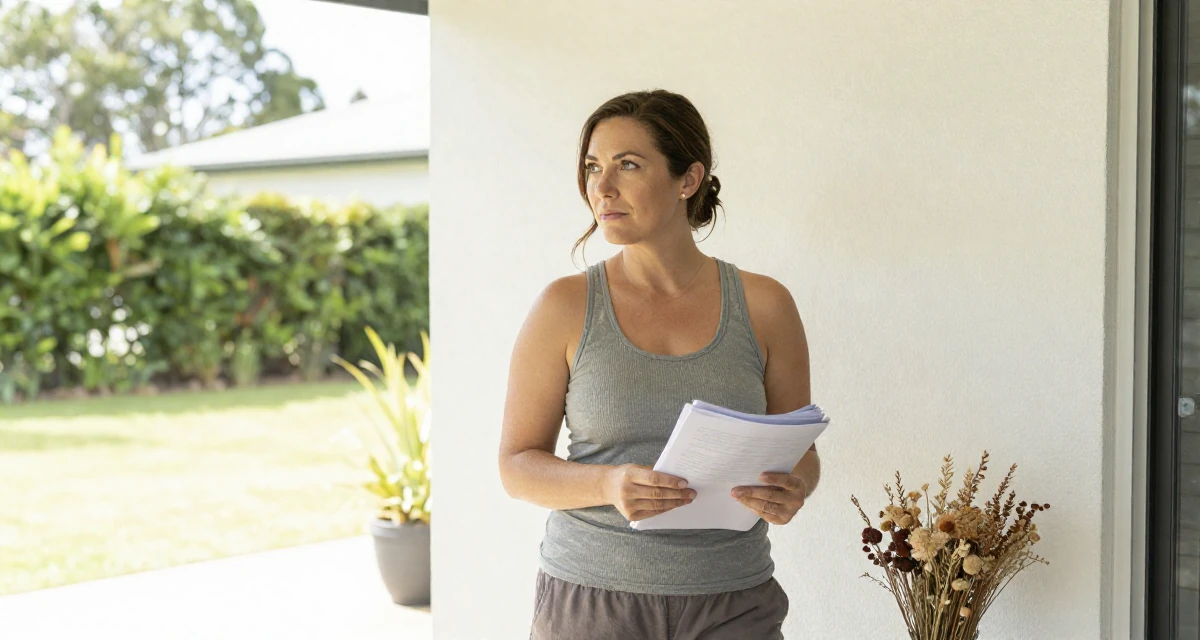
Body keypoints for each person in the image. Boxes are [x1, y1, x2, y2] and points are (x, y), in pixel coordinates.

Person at [498, 89, 820, 640]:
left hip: (734, 601)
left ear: (687, 180)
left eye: (628, 164)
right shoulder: (564, 307)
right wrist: (610, 483)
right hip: (592, 602)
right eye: (593, 167)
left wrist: (793, 488)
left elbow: (802, 453)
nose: (602, 187)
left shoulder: (766, 305)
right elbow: (516, 466)